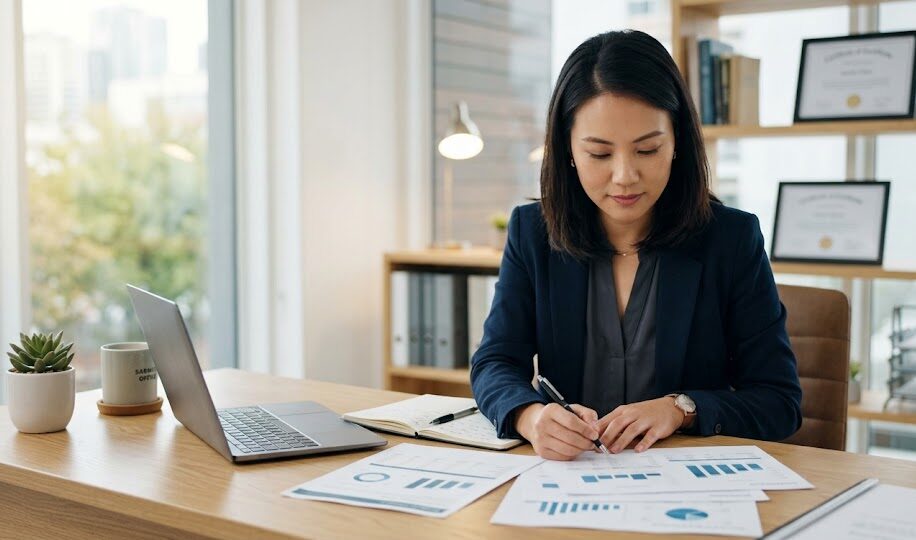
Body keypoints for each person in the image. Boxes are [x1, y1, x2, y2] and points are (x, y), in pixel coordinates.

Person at [469, 30, 802, 461]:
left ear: (677, 141)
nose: (625, 176)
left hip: (686, 488)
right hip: (567, 480)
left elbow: (780, 402)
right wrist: (530, 416)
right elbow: (495, 362)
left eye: (647, 149)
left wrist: (680, 409)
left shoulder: (731, 240)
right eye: (600, 154)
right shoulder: (533, 232)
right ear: (568, 150)